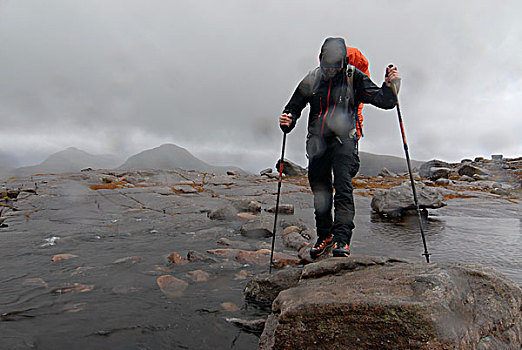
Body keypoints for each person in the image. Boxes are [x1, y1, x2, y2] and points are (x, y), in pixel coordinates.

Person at [279, 37, 401, 258]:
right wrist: (288, 120)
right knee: (321, 192)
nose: (331, 70)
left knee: (343, 190)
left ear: (343, 62)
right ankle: (325, 236)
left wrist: (391, 85)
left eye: (336, 65)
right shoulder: (313, 78)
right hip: (317, 144)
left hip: (345, 143)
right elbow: (293, 107)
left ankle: (342, 240)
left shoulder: (354, 77)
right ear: (321, 60)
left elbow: (385, 101)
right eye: (327, 65)